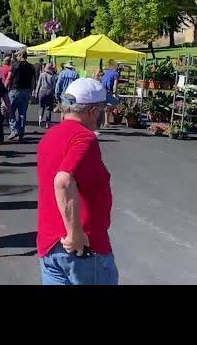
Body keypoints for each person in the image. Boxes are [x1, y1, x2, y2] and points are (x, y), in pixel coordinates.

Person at [36, 78, 118, 285]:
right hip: (83, 248)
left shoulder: (50, 135)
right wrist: (75, 233)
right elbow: (63, 181)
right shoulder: (84, 138)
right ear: (93, 111)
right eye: (103, 109)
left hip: (50, 244)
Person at [4, 51, 36, 141]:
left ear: (20, 56)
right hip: (26, 90)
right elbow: (33, 80)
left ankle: (14, 130)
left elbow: (9, 78)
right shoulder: (31, 66)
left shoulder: (15, 65)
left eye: (18, 55)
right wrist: (31, 91)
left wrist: (4, 89)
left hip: (15, 90)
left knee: (11, 110)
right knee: (22, 113)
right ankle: (21, 132)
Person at [35, 63, 58, 128]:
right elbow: (54, 86)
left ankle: (40, 119)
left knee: (41, 107)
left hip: (42, 92)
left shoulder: (42, 75)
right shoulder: (52, 76)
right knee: (48, 108)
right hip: (49, 92)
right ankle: (47, 123)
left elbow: (39, 84)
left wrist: (36, 92)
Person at [101, 60, 120, 127]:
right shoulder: (116, 74)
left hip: (102, 90)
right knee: (114, 104)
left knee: (105, 105)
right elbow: (115, 85)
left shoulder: (106, 72)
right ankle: (106, 123)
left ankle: (104, 122)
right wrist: (115, 93)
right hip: (109, 91)